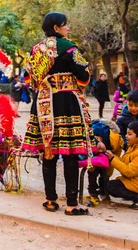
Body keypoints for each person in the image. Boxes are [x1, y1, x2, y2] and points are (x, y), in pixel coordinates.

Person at [22, 12, 96, 216]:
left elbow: (29, 78)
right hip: (65, 102)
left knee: (49, 151)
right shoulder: (68, 48)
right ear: (56, 28)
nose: (68, 28)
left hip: (43, 103)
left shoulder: (35, 50)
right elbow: (84, 76)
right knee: (69, 151)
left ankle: (50, 200)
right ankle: (72, 204)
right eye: (65, 25)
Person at [105, 121, 138, 210]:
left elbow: (129, 172)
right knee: (111, 185)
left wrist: (112, 159)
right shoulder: (134, 146)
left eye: (130, 134)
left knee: (112, 186)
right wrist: (112, 156)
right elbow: (124, 162)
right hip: (134, 181)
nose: (126, 136)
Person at [87, 119, 123, 206]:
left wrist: (111, 162)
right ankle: (94, 192)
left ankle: (102, 191)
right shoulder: (91, 136)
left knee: (104, 174)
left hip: (108, 154)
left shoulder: (115, 140)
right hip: (94, 154)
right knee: (93, 173)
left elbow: (116, 152)